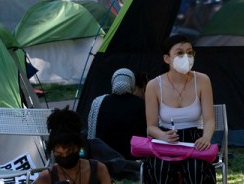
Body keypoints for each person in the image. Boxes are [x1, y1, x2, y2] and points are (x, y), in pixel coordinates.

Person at [143, 34, 215, 184]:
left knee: (196, 169)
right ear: (167, 59)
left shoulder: (203, 80)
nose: (186, 57)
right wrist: (162, 136)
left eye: (190, 52)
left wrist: (206, 137)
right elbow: (151, 127)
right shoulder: (153, 85)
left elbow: (209, 120)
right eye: (180, 53)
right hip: (166, 138)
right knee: (159, 168)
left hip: (195, 138)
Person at [35, 107, 111, 184]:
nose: (65, 157)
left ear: (78, 147)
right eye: (59, 154)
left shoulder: (99, 170)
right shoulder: (45, 178)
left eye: (69, 152)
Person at [87, 68, 148, 160]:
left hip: (104, 157)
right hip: (133, 159)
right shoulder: (141, 104)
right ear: (132, 83)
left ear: (113, 82)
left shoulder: (98, 102)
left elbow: (92, 134)